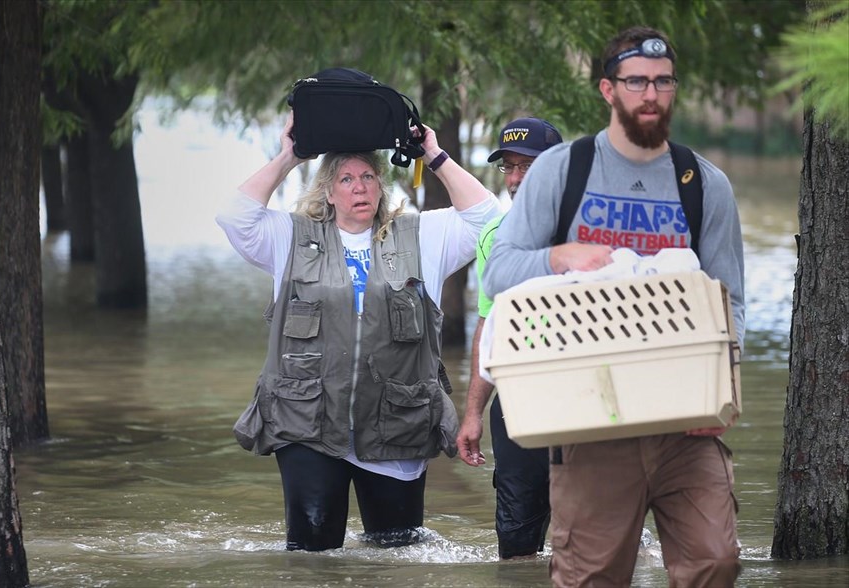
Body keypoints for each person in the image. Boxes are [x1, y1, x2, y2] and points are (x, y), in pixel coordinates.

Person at [483, 26, 745, 587]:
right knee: (591, 577)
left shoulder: (703, 184)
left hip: (684, 418)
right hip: (590, 418)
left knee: (716, 560)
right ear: (608, 89)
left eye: (662, 81)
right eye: (635, 82)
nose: (649, 94)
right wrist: (558, 257)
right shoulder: (562, 169)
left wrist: (725, 392)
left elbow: (731, 302)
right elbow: (498, 271)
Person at [217, 111, 501, 552]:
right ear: (328, 192)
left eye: (369, 176)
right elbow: (235, 217)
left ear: (381, 186)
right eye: (346, 179)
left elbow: (488, 219)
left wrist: (433, 153)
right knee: (313, 556)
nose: (360, 187)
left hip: (397, 422)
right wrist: (289, 156)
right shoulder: (290, 237)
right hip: (308, 423)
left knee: (398, 554)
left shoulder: (420, 236)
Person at [456, 117, 563, 559]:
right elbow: (489, 323)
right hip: (518, 399)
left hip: (588, 398)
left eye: (528, 166)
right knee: (516, 546)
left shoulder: (589, 227)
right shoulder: (495, 236)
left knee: (592, 533)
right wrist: (474, 411)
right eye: (509, 168)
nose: (516, 179)